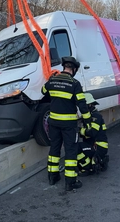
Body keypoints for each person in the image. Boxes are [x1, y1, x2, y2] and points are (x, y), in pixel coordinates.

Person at [42, 56, 91, 191]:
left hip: (53, 123)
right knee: (70, 151)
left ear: (64, 67)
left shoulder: (52, 80)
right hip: (69, 125)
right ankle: (70, 181)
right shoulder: (74, 83)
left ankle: (53, 176)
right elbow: (82, 105)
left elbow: (43, 92)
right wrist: (87, 121)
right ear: (74, 69)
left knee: (54, 149)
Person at [77, 93, 109, 176]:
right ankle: (91, 163)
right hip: (93, 145)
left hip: (98, 147)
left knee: (75, 148)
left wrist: (79, 130)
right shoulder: (90, 116)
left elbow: (92, 133)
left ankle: (88, 168)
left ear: (90, 105)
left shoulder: (95, 116)